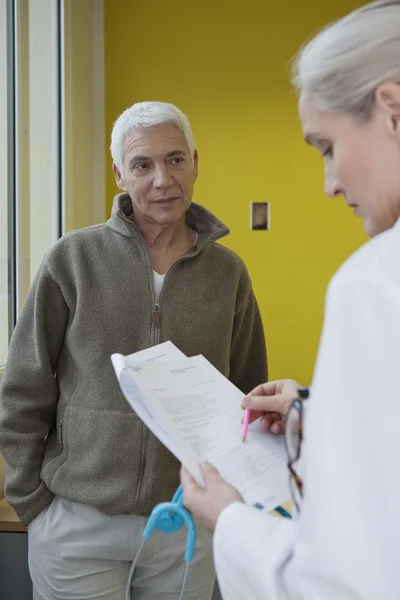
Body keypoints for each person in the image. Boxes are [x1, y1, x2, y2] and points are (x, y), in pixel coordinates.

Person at [0, 101, 268, 600]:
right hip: (77, 524)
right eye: (143, 165)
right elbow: (23, 388)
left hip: (186, 525)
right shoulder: (72, 259)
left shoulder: (229, 274)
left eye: (175, 160)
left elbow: (248, 394)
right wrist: (31, 502)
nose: (162, 179)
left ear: (195, 162)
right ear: (119, 174)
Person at [181, 2, 400, 598]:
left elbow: (344, 581)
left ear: (391, 111)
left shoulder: (375, 282)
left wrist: (227, 520)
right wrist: (315, 416)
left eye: (326, 146)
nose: (329, 184)